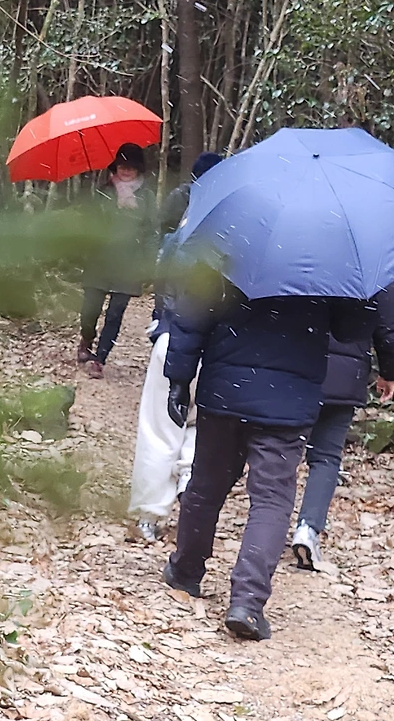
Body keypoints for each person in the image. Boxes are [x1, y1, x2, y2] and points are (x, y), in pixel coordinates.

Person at [162, 271, 375, 641]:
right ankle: (246, 601)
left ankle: (186, 570)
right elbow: (350, 330)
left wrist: (179, 379)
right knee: (271, 499)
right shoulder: (330, 261)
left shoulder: (232, 245)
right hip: (288, 401)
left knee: (207, 485)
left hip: (226, 390)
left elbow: (193, 311)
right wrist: (359, 295)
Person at [126, 152, 224, 542]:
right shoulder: (246, 239)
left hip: (176, 338)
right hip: (222, 351)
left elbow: (163, 288)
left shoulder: (181, 237)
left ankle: (149, 514)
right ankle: (188, 480)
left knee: (160, 427)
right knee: (202, 424)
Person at [291, 281, 394, 570]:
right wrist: (389, 372)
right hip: (345, 375)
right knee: (326, 457)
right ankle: (308, 528)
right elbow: (388, 327)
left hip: (295, 366)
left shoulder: (302, 257)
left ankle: (267, 527)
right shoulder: (375, 268)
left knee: (283, 451)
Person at [79, 143, 155, 379]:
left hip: (129, 264)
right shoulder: (104, 192)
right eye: (122, 166)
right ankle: (86, 339)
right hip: (100, 259)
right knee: (90, 309)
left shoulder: (147, 197)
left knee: (115, 314)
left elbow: (151, 231)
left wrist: (149, 263)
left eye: (131, 166)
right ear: (115, 167)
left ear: (138, 168)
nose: (126, 170)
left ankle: (99, 359)